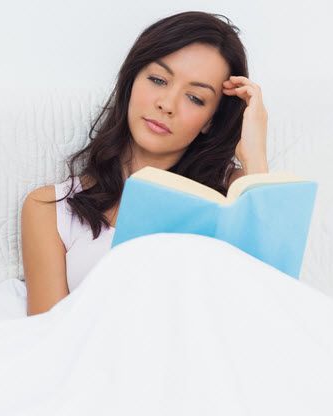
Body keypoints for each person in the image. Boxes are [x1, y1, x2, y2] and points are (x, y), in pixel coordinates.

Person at [22, 11, 269, 315]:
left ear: (210, 120)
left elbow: (269, 296)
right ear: (131, 81)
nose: (167, 104)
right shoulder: (51, 208)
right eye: (157, 80)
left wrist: (254, 154)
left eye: (195, 98)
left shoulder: (232, 197)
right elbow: (48, 335)